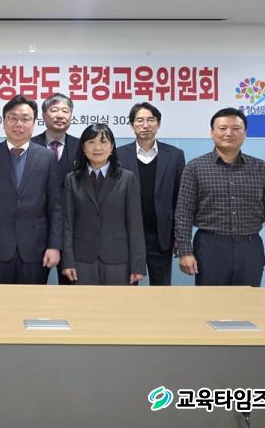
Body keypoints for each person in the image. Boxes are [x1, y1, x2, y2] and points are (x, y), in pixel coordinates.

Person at [175, 107, 265, 286]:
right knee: (211, 301)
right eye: (222, 128)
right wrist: (185, 251)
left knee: (248, 301)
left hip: (250, 248)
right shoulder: (195, 168)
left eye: (236, 128)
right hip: (209, 247)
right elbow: (183, 212)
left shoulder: (261, 168)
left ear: (245, 133)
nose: (229, 133)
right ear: (212, 133)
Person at [0, 94, 62, 284]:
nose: (19, 124)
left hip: (36, 248)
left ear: (34, 124)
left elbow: (55, 206)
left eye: (25, 119)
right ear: (4, 122)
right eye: (13, 118)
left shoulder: (47, 157)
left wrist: (54, 246)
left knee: (34, 299)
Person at [61, 123, 146, 285]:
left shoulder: (127, 178)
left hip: (119, 258)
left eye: (103, 142)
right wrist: (68, 261)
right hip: (82, 259)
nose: (97, 148)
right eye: (91, 142)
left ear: (112, 147)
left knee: (118, 301)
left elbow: (135, 224)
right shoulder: (72, 179)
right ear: (83, 148)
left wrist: (138, 265)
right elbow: (67, 223)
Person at [117, 102, 185, 285]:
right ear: (132, 125)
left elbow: (180, 199)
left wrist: (179, 236)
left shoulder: (175, 155)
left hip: (161, 235)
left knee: (161, 288)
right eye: (139, 120)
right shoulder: (118, 155)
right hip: (127, 235)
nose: (145, 125)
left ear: (158, 124)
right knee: (126, 287)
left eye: (150, 120)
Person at [32, 92, 81, 284]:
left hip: (73, 230)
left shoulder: (82, 147)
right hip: (37, 229)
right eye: (54, 110)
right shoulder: (29, 145)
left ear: (71, 116)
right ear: (44, 116)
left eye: (65, 111)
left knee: (71, 289)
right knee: (33, 288)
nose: (60, 115)